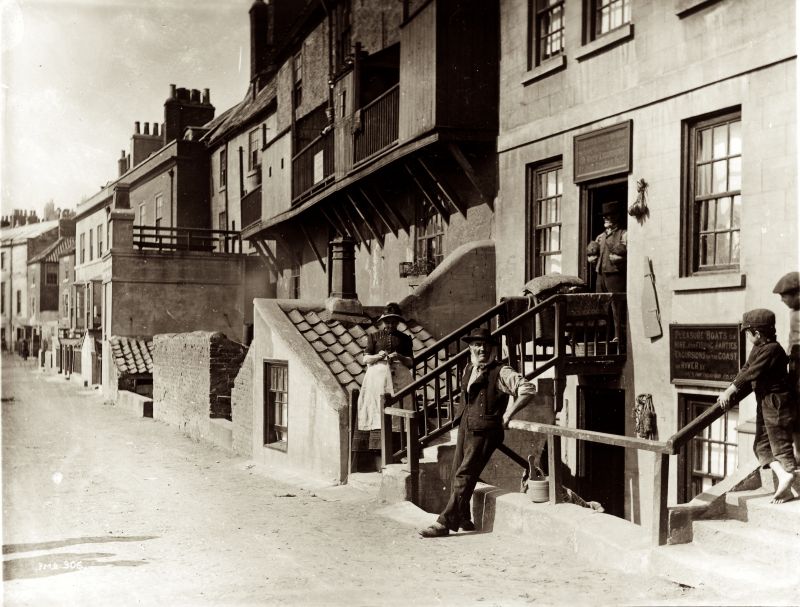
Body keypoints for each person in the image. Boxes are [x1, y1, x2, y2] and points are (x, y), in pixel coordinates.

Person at [419, 328, 537, 537]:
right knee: (458, 471)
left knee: (465, 473)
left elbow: (527, 388)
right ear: (471, 348)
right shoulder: (468, 369)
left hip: (485, 431)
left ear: (492, 348)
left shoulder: (502, 371)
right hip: (466, 426)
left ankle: (445, 523)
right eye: (477, 345)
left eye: (485, 345)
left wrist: (509, 413)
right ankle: (464, 517)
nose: (481, 348)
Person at [717, 309, 798, 504]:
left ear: (757, 333)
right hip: (764, 401)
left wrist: (729, 392)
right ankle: (784, 477)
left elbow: (751, 372)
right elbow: (746, 368)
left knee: (779, 444)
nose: (746, 335)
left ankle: (789, 476)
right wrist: (731, 388)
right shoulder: (760, 347)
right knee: (761, 445)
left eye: (747, 332)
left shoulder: (772, 350)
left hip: (776, 401)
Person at [357, 303, 414, 448]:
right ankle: (378, 448)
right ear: (383, 321)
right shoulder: (374, 336)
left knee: (400, 408)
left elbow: (410, 362)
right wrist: (378, 356)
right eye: (388, 321)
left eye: (394, 321)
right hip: (378, 380)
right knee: (378, 407)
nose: (391, 324)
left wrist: (400, 356)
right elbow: (365, 359)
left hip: (400, 379)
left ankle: (400, 446)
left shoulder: (405, 339)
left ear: (398, 322)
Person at [586, 201, 627, 342]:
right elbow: (594, 253)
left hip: (615, 275)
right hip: (600, 274)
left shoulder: (624, 234)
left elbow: (626, 254)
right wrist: (592, 258)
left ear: (616, 216)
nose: (606, 219)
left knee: (616, 306)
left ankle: (618, 335)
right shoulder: (600, 237)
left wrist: (619, 257)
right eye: (604, 216)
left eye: (609, 216)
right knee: (600, 305)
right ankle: (602, 335)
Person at [772, 271, 800, 459]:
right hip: (795, 366)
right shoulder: (793, 313)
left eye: (785, 296)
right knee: (795, 412)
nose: (783, 301)